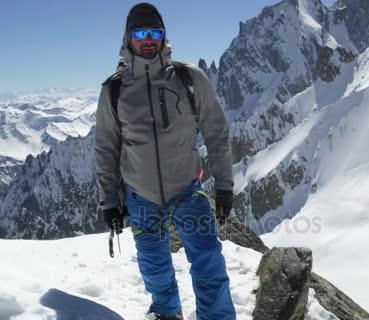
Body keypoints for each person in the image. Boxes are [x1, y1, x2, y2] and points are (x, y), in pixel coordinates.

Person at [94, 3, 236, 320]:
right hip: (140, 195)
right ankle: (166, 314)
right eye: (140, 33)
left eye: (155, 32)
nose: (148, 39)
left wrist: (224, 187)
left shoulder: (189, 79)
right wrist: (110, 201)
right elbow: (106, 147)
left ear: (163, 37)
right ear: (128, 38)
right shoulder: (113, 90)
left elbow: (216, 132)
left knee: (208, 260)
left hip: (187, 188)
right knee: (154, 265)